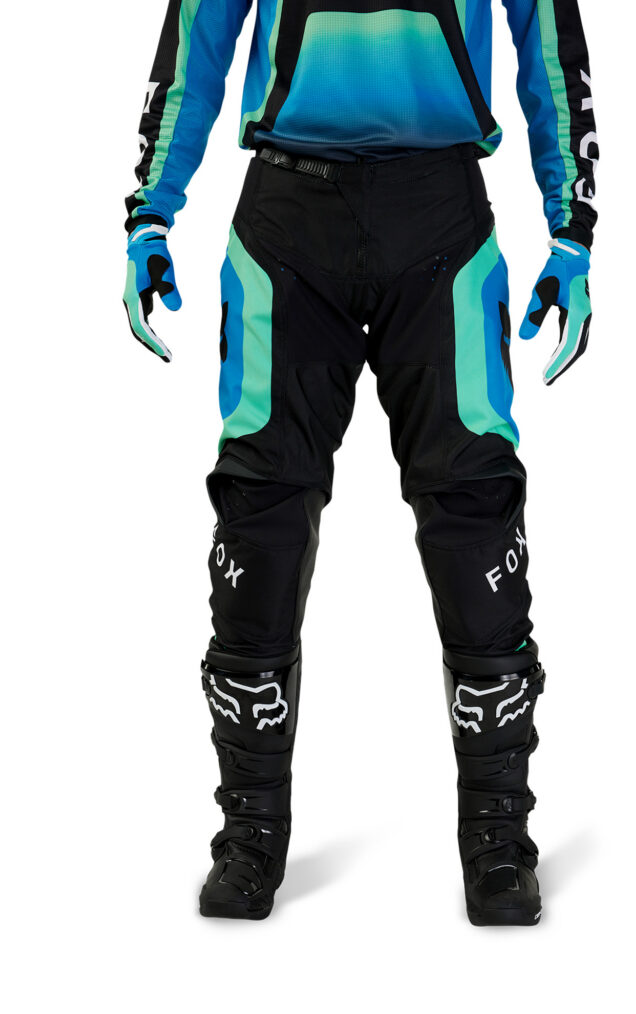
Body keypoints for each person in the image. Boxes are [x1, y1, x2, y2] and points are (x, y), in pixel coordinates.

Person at [122, 0, 597, 926]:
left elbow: (547, 35)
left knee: (476, 517)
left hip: (442, 218)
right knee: (258, 519)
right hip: (286, 227)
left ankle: (498, 834)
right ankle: (249, 833)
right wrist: (150, 213)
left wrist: (571, 229)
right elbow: (197, 36)